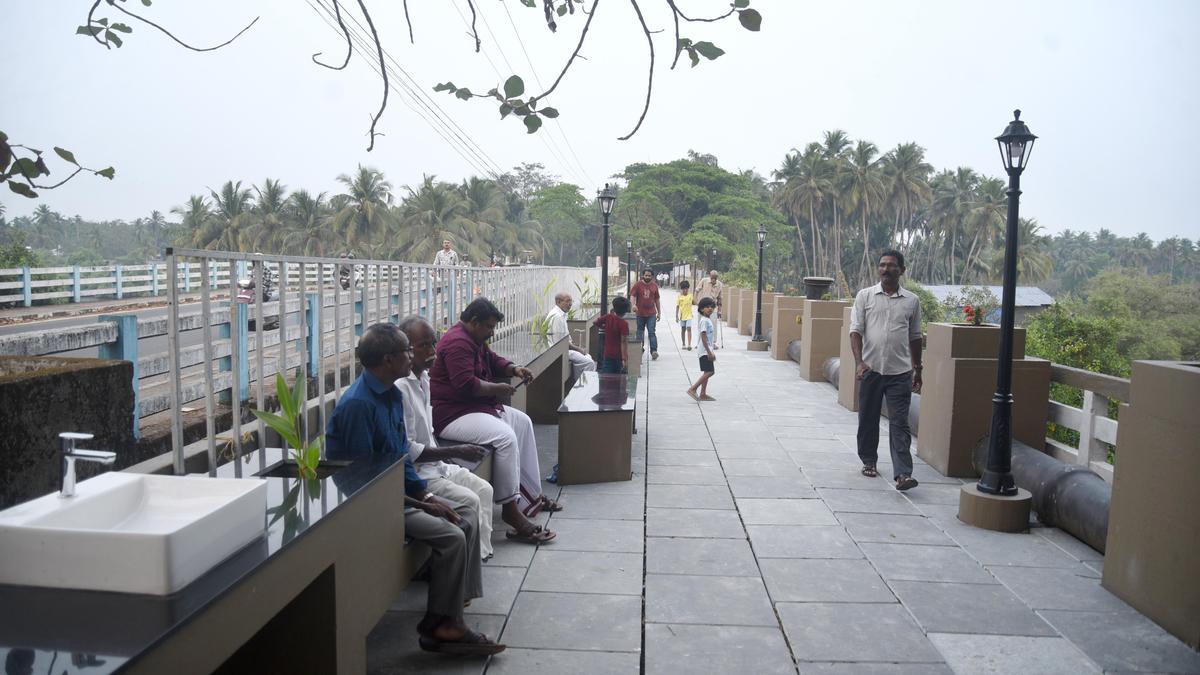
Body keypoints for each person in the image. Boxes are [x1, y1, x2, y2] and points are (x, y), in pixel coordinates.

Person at [325, 323, 503, 656]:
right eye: (408, 349)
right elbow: (363, 484)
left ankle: (450, 615)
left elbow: (398, 459)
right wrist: (420, 505)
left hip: (394, 494)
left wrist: (427, 496)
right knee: (452, 535)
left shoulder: (391, 394)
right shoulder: (359, 406)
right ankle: (441, 624)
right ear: (389, 359)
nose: (414, 355)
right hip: (370, 505)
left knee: (464, 514)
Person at [430, 298, 561, 544]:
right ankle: (511, 510)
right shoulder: (457, 342)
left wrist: (514, 369)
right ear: (473, 322)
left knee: (522, 422)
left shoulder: (474, 338)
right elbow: (466, 384)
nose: (491, 332)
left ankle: (530, 496)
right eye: (488, 327)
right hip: (452, 415)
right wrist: (497, 388)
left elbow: (491, 359)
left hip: (475, 408)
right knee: (505, 437)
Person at [397, 316, 496, 561]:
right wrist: (456, 451)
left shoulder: (424, 379)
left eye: (434, 343)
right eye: (424, 345)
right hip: (422, 474)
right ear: (407, 349)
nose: (433, 351)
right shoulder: (401, 388)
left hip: (439, 467)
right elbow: (408, 450)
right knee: (470, 500)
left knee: (484, 489)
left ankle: (479, 557)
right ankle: (467, 566)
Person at [849, 249, 923, 492]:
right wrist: (859, 362)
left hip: (900, 372)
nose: (885, 269)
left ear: (901, 270)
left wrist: (917, 368)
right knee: (868, 418)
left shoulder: (912, 301)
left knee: (900, 423)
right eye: (882, 265)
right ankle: (868, 460)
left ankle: (903, 474)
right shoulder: (865, 296)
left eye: (891, 266)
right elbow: (855, 331)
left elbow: (914, 337)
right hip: (871, 370)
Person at [546, 292, 597, 379]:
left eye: (571, 301)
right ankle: (583, 389)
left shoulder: (561, 314)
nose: (570, 304)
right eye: (567, 301)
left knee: (588, 357)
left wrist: (576, 347)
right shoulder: (557, 317)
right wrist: (578, 349)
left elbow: (565, 338)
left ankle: (578, 382)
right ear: (558, 302)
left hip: (565, 348)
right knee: (589, 363)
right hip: (559, 351)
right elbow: (560, 342)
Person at [686, 298, 718, 401]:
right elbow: (703, 336)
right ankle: (693, 388)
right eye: (707, 307)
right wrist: (709, 352)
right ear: (701, 309)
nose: (710, 309)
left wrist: (711, 349)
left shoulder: (707, 320)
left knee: (707, 371)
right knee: (710, 372)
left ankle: (703, 394)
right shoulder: (704, 321)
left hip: (707, 349)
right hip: (704, 350)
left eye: (712, 307)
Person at [630, 268, 661, 360]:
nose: (647, 277)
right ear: (643, 275)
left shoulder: (654, 286)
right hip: (640, 313)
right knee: (640, 332)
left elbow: (657, 299)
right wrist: (633, 305)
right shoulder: (638, 285)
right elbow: (632, 295)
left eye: (649, 275)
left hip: (651, 313)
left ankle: (654, 351)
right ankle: (640, 349)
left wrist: (659, 312)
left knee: (652, 332)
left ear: (652, 276)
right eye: (646, 275)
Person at [594, 295, 631, 373]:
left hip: (607, 354)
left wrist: (604, 327)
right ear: (625, 310)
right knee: (618, 379)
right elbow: (623, 342)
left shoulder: (608, 317)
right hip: (619, 356)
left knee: (607, 378)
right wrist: (625, 359)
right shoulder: (624, 324)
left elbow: (595, 322)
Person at [695, 270, 723, 349]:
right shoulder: (704, 281)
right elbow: (697, 290)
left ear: (717, 278)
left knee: (713, 325)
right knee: (701, 324)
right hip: (703, 306)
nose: (713, 280)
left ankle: (713, 343)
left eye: (715, 278)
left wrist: (720, 310)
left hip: (713, 307)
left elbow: (720, 298)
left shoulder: (720, 284)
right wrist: (695, 300)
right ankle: (699, 342)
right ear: (710, 276)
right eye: (712, 278)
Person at [676, 280, 694, 350]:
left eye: (686, 289)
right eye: (683, 289)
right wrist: (676, 316)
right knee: (683, 329)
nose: (685, 290)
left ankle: (689, 344)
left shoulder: (690, 296)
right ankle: (683, 343)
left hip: (689, 315)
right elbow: (677, 306)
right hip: (682, 316)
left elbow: (694, 302)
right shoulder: (679, 297)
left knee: (689, 328)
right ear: (681, 289)